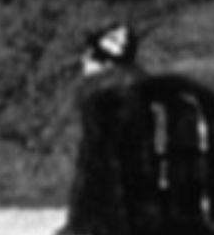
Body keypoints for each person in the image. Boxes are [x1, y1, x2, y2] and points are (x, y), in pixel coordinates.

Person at [58, 23, 148, 235]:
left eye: (92, 57)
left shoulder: (106, 98)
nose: (84, 63)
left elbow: (101, 179)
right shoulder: (142, 88)